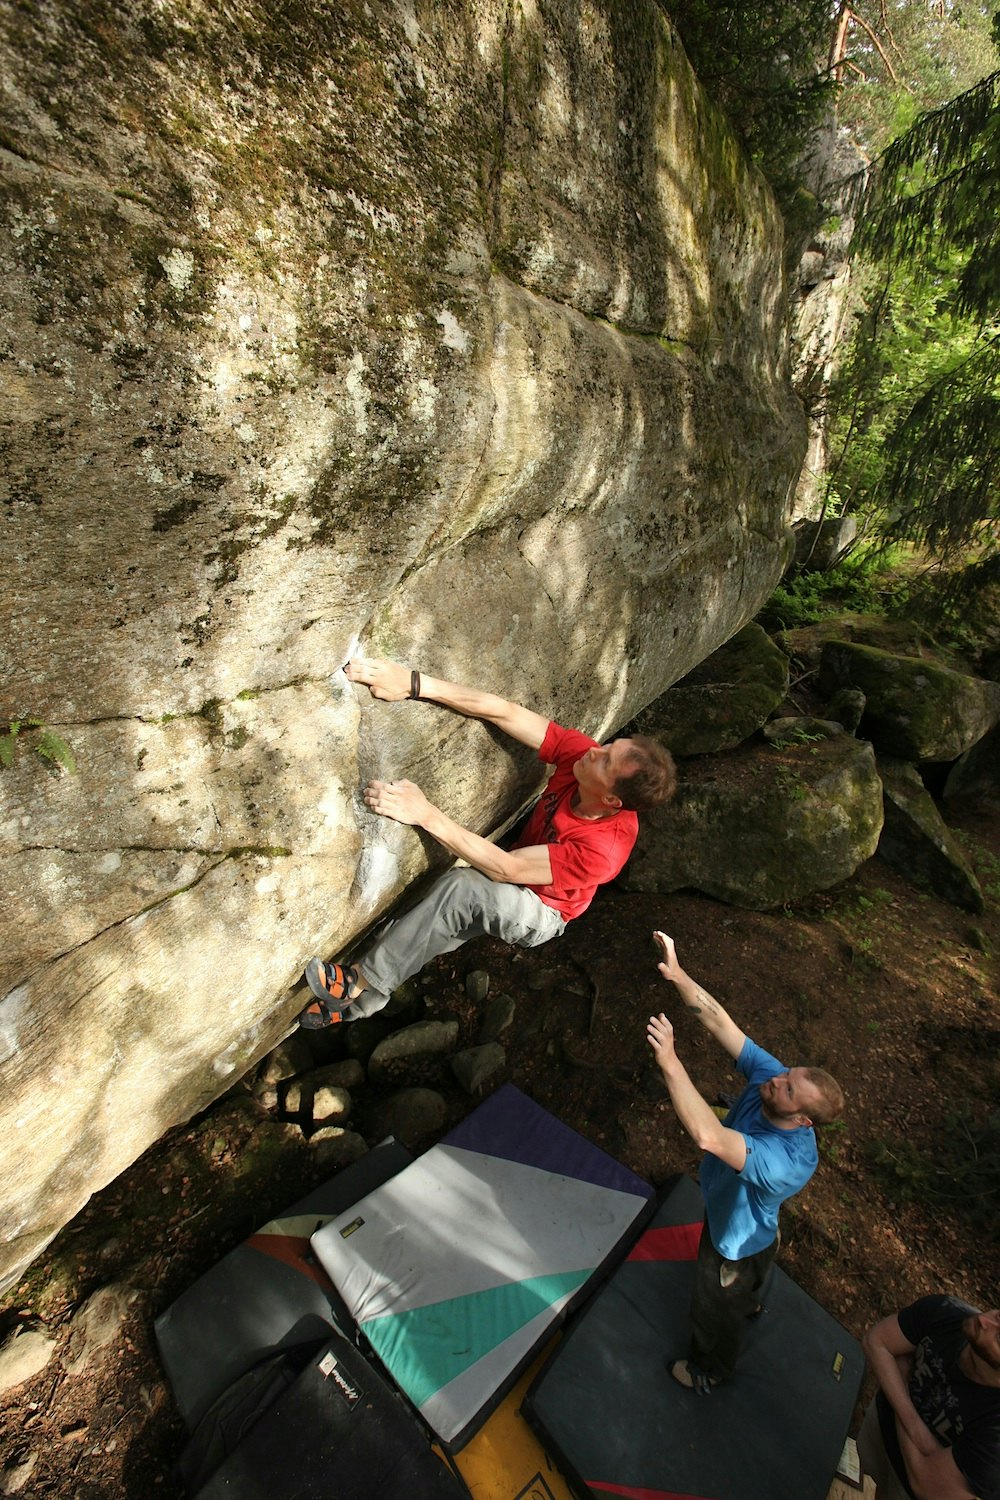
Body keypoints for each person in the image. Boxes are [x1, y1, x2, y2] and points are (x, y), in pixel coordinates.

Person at [299, 657, 676, 1027]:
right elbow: (504, 712)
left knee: (460, 890)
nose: (595, 749)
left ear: (612, 800)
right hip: (516, 869)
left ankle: (356, 981)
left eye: (606, 761)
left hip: (541, 908)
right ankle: (355, 1005)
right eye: (609, 746)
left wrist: (424, 812)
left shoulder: (603, 850)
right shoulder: (587, 760)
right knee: (429, 925)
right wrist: (414, 684)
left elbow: (506, 869)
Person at [646, 931, 844, 1393]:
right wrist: (679, 974)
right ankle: (751, 1299)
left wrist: (672, 1063)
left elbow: (708, 1135)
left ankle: (709, 1370)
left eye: (788, 1089)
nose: (776, 1080)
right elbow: (722, 1025)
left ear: (803, 1121)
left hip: (731, 1239)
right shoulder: (774, 1081)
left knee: (713, 1306)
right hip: (759, 1225)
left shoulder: (784, 1161)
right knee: (761, 1255)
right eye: (786, 1074)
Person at [859, 1296, 1000, 1499]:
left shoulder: (996, 1437)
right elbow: (874, 1342)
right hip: (881, 1431)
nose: (983, 1320)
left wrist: (901, 1386)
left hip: (911, 1492)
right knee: (875, 1483)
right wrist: (917, 1431)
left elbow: (923, 1483)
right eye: (998, 1316)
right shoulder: (946, 1311)